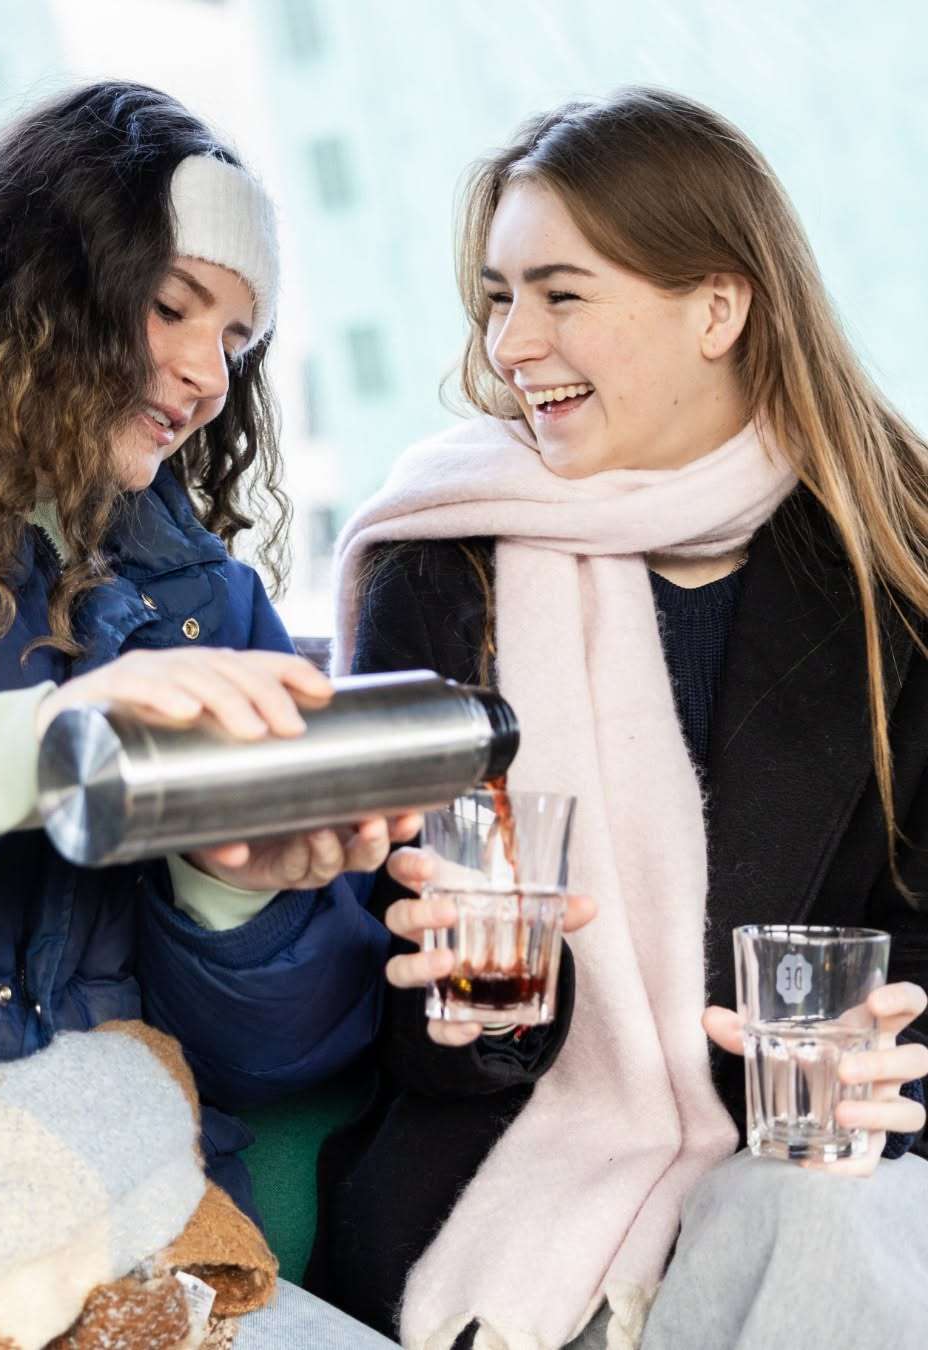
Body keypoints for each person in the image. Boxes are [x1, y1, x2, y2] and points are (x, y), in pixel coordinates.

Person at [309, 87, 928, 1350]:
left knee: (824, 1227)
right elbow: (393, 998)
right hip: (496, 1190)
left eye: (562, 293)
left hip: (809, 1184)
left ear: (718, 308)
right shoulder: (445, 565)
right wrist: (468, 1016)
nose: (513, 343)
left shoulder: (896, 581)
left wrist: (889, 1049)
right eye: (498, 296)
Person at [0, 80, 409, 1347]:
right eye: (172, 310)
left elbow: (279, 1062)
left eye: (241, 342)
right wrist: (42, 757)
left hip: (112, 1214)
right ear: (45, 283)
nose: (211, 375)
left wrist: (237, 897)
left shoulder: (209, 602)